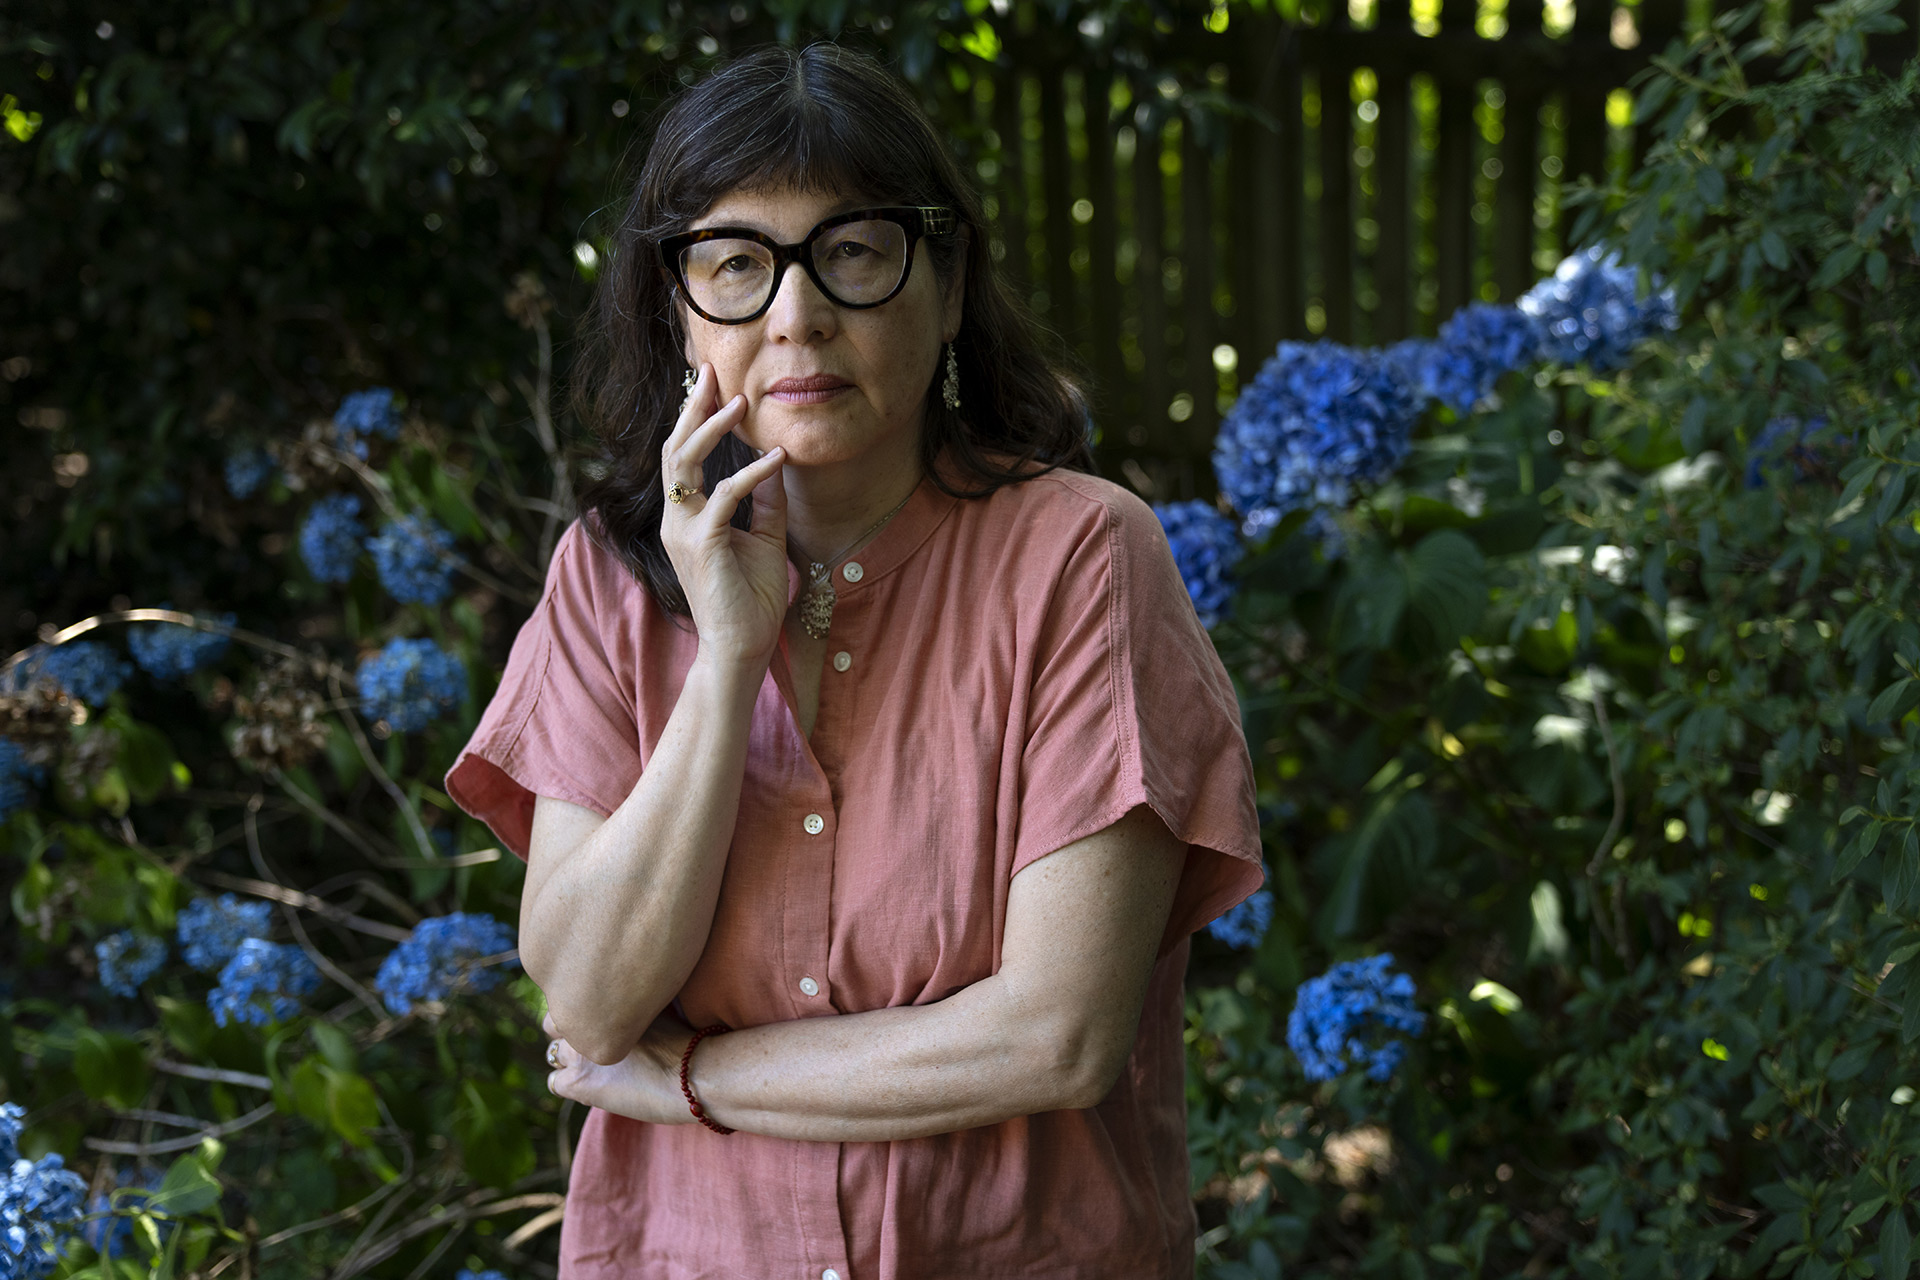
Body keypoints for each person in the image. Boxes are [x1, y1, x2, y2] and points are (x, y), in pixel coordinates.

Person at [445, 42, 1262, 1280]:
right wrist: (727, 660)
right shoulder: (607, 581)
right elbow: (590, 1006)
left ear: (944, 285)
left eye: (853, 252)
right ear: (677, 310)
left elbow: (1057, 1033)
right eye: (735, 263)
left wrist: (696, 1076)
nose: (796, 314)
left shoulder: (1079, 556)